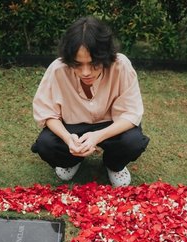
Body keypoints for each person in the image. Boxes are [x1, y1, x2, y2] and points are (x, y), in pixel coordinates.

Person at [30, 16, 150, 187]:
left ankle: (114, 165)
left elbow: (131, 114)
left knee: (133, 141)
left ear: (106, 56)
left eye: (93, 63)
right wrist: (67, 138)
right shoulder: (58, 69)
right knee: (46, 144)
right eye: (77, 64)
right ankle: (71, 160)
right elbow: (46, 112)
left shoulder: (121, 65)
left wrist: (98, 136)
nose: (85, 72)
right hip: (72, 127)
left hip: (110, 125)